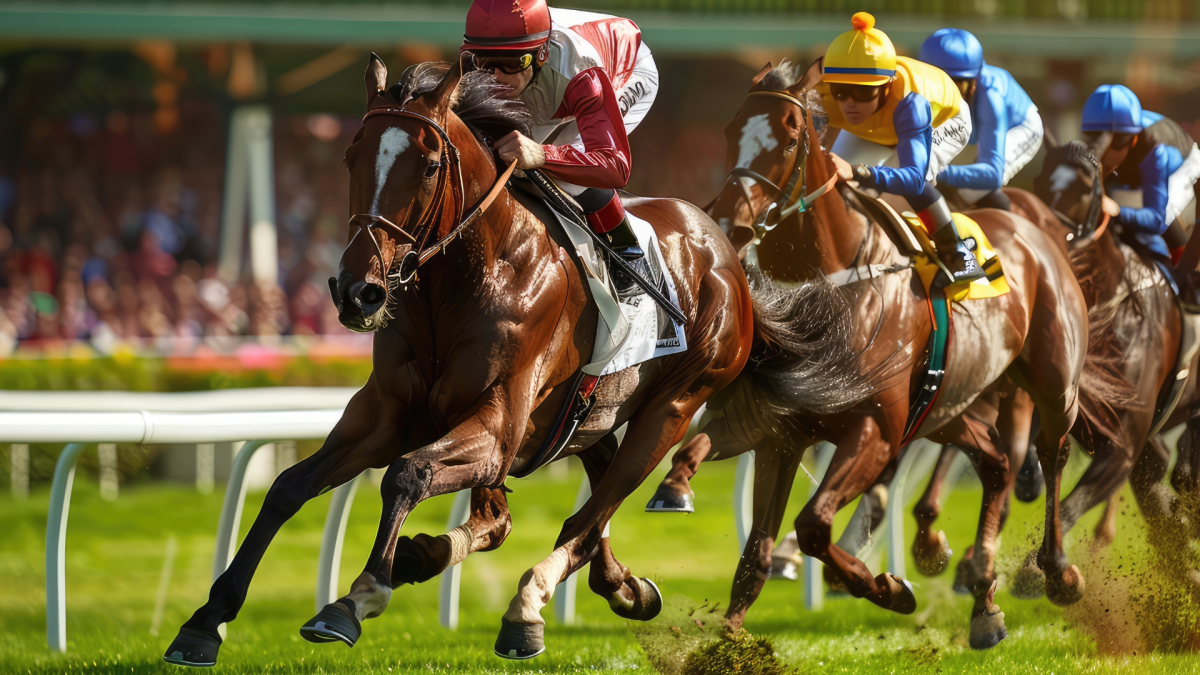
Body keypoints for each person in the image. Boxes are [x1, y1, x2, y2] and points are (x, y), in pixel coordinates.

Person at [460, 0, 658, 293]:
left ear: (541, 53)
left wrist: (541, 154)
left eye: (513, 63)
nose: (498, 76)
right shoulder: (473, 63)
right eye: (486, 63)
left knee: (566, 174)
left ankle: (629, 254)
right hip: (546, 87)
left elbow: (613, 165)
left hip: (623, 72)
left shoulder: (582, 73)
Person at [801, 12, 983, 285]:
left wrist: (857, 171)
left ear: (887, 86)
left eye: (863, 93)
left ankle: (958, 253)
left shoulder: (912, 104)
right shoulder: (822, 92)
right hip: (876, 123)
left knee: (907, 185)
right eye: (841, 91)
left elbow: (911, 178)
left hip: (943, 120)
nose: (850, 103)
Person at [1081, 84, 1200, 300]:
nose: (1103, 150)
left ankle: (1185, 282)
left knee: (1159, 220)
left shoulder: (1155, 151)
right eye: (1094, 137)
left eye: (1114, 142)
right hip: (1135, 171)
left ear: (1131, 138)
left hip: (1178, 167)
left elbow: (1155, 218)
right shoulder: (1113, 143)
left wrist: (1116, 211)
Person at [918, 28, 1043, 212]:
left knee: (969, 191)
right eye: (937, 83)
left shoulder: (991, 96)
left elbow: (992, 173)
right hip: (976, 130)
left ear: (974, 81)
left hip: (1021, 128)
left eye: (954, 84)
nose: (946, 95)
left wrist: (939, 172)